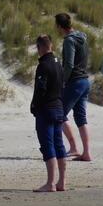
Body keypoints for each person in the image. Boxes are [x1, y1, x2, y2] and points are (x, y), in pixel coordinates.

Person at [31, 35, 69, 193]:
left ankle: (50, 183)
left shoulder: (43, 65)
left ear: (39, 47)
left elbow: (41, 89)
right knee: (59, 145)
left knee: (48, 146)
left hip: (46, 110)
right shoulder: (58, 63)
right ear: (51, 45)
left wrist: (34, 106)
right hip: (59, 107)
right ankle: (61, 182)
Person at [57, 12, 93, 162]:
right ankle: (86, 153)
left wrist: (62, 81)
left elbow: (69, 64)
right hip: (85, 81)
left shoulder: (69, 41)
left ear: (59, 26)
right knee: (81, 118)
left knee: (59, 114)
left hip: (75, 81)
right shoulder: (82, 36)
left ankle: (73, 147)